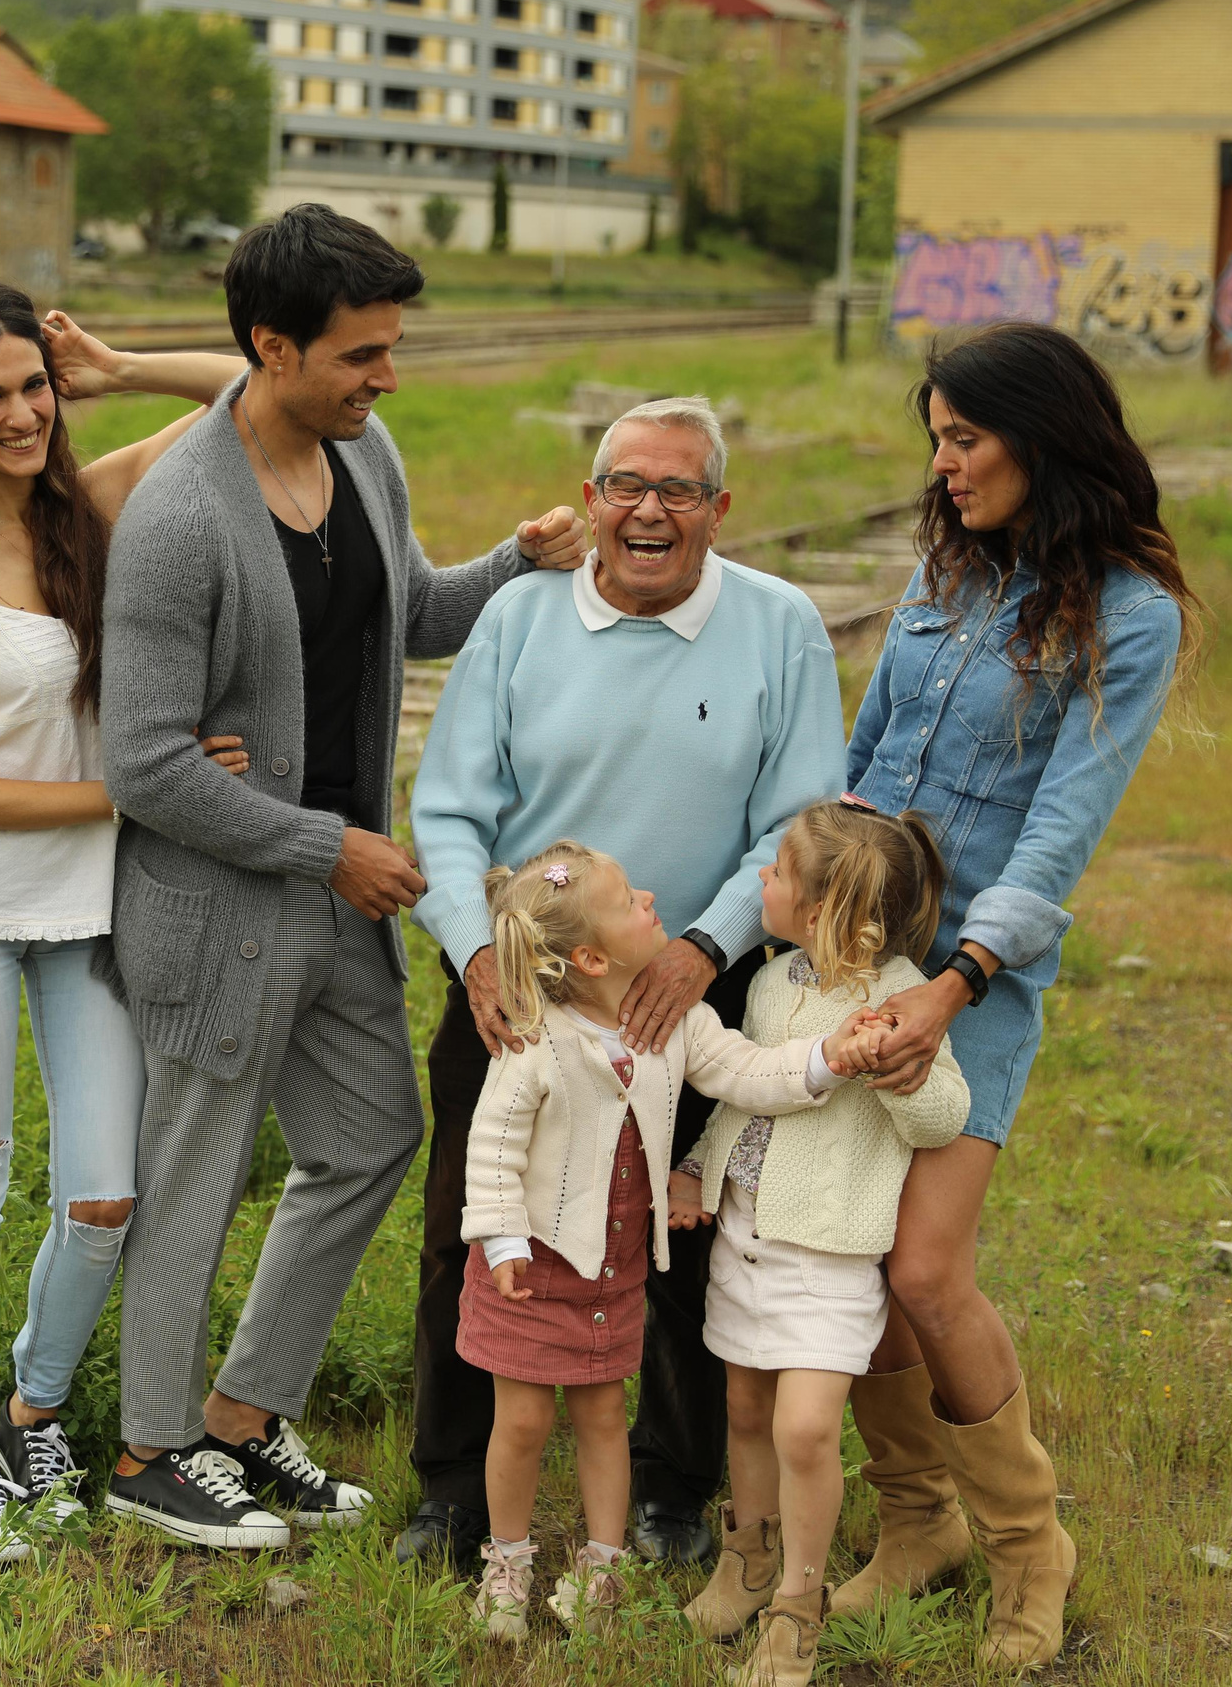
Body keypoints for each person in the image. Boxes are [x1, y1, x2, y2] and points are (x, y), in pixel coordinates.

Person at [95, 205, 589, 1551]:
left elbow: (407, 612)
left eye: (390, 348)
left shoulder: (363, 459)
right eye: (362, 354)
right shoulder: (180, 517)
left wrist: (517, 566)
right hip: (219, 910)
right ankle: (148, 1450)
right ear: (273, 346)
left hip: (333, 901)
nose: (388, 377)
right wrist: (329, 844)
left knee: (369, 1135)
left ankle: (242, 1417)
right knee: (195, 1172)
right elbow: (142, 761)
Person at [404, 396, 848, 1568]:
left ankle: (668, 1489)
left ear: (718, 508)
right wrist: (478, 952)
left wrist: (703, 946)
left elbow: (797, 821)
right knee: (470, 1219)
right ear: (592, 499)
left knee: (682, 1231)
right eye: (625, 486)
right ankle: (451, 1488)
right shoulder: (518, 616)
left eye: (679, 490)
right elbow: (447, 809)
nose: (649, 510)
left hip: (688, 983)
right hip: (519, 981)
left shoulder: (780, 625)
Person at [0, 283, 253, 1559]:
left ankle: (34, 1405)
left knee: (103, 1199)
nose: (22, 413)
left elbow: (247, 394)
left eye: (33, 384)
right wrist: (145, 788)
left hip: (83, 916)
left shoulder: (93, 509)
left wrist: (116, 366)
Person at [827, 323, 1205, 1671]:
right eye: (935, 437)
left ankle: (1029, 1545)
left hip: (972, 980)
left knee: (926, 1270)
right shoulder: (943, 572)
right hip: (857, 960)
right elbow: (864, 762)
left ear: (1042, 439)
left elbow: (1059, 831)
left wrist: (952, 984)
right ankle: (914, 1521)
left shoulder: (1133, 616)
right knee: (852, 1258)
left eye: (965, 438)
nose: (943, 463)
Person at [457, 840, 873, 1643]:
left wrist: (827, 1059)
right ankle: (506, 1564)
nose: (650, 897)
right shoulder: (538, 1038)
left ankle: (602, 1567)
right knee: (522, 1422)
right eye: (628, 899)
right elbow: (494, 1146)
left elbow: (749, 1072)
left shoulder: (679, 1023)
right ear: (590, 956)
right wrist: (503, 1241)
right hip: (529, 1267)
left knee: (603, 1416)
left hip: (608, 1272)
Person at [668, 800, 969, 1686]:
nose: (761, 879)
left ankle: (798, 1606)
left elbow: (944, 1117)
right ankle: (750, 1560)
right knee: (747, 1411)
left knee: (804, 1428)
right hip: (747, 1238)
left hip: (830, 1253)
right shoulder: (770, 982)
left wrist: (893, 1066)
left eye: (777, 873)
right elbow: (745, 1090)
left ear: (823, 906)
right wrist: (696, 1166)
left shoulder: (902, 997)